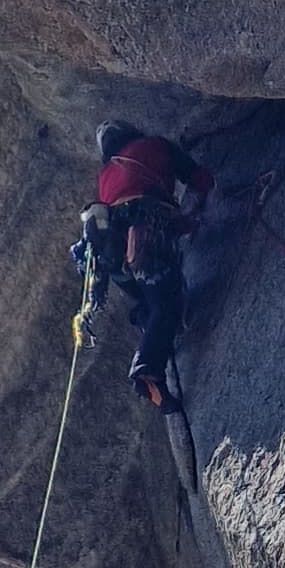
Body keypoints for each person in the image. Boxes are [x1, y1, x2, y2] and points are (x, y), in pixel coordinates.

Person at [74, 120, 213, 409]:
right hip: (146, 230)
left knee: (151, 301)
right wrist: (197, 210)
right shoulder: (155, 146)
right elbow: (200, 179)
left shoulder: (105, 177)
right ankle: (147, 369)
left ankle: (146, 321)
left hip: (115, 253)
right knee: (167, 302)